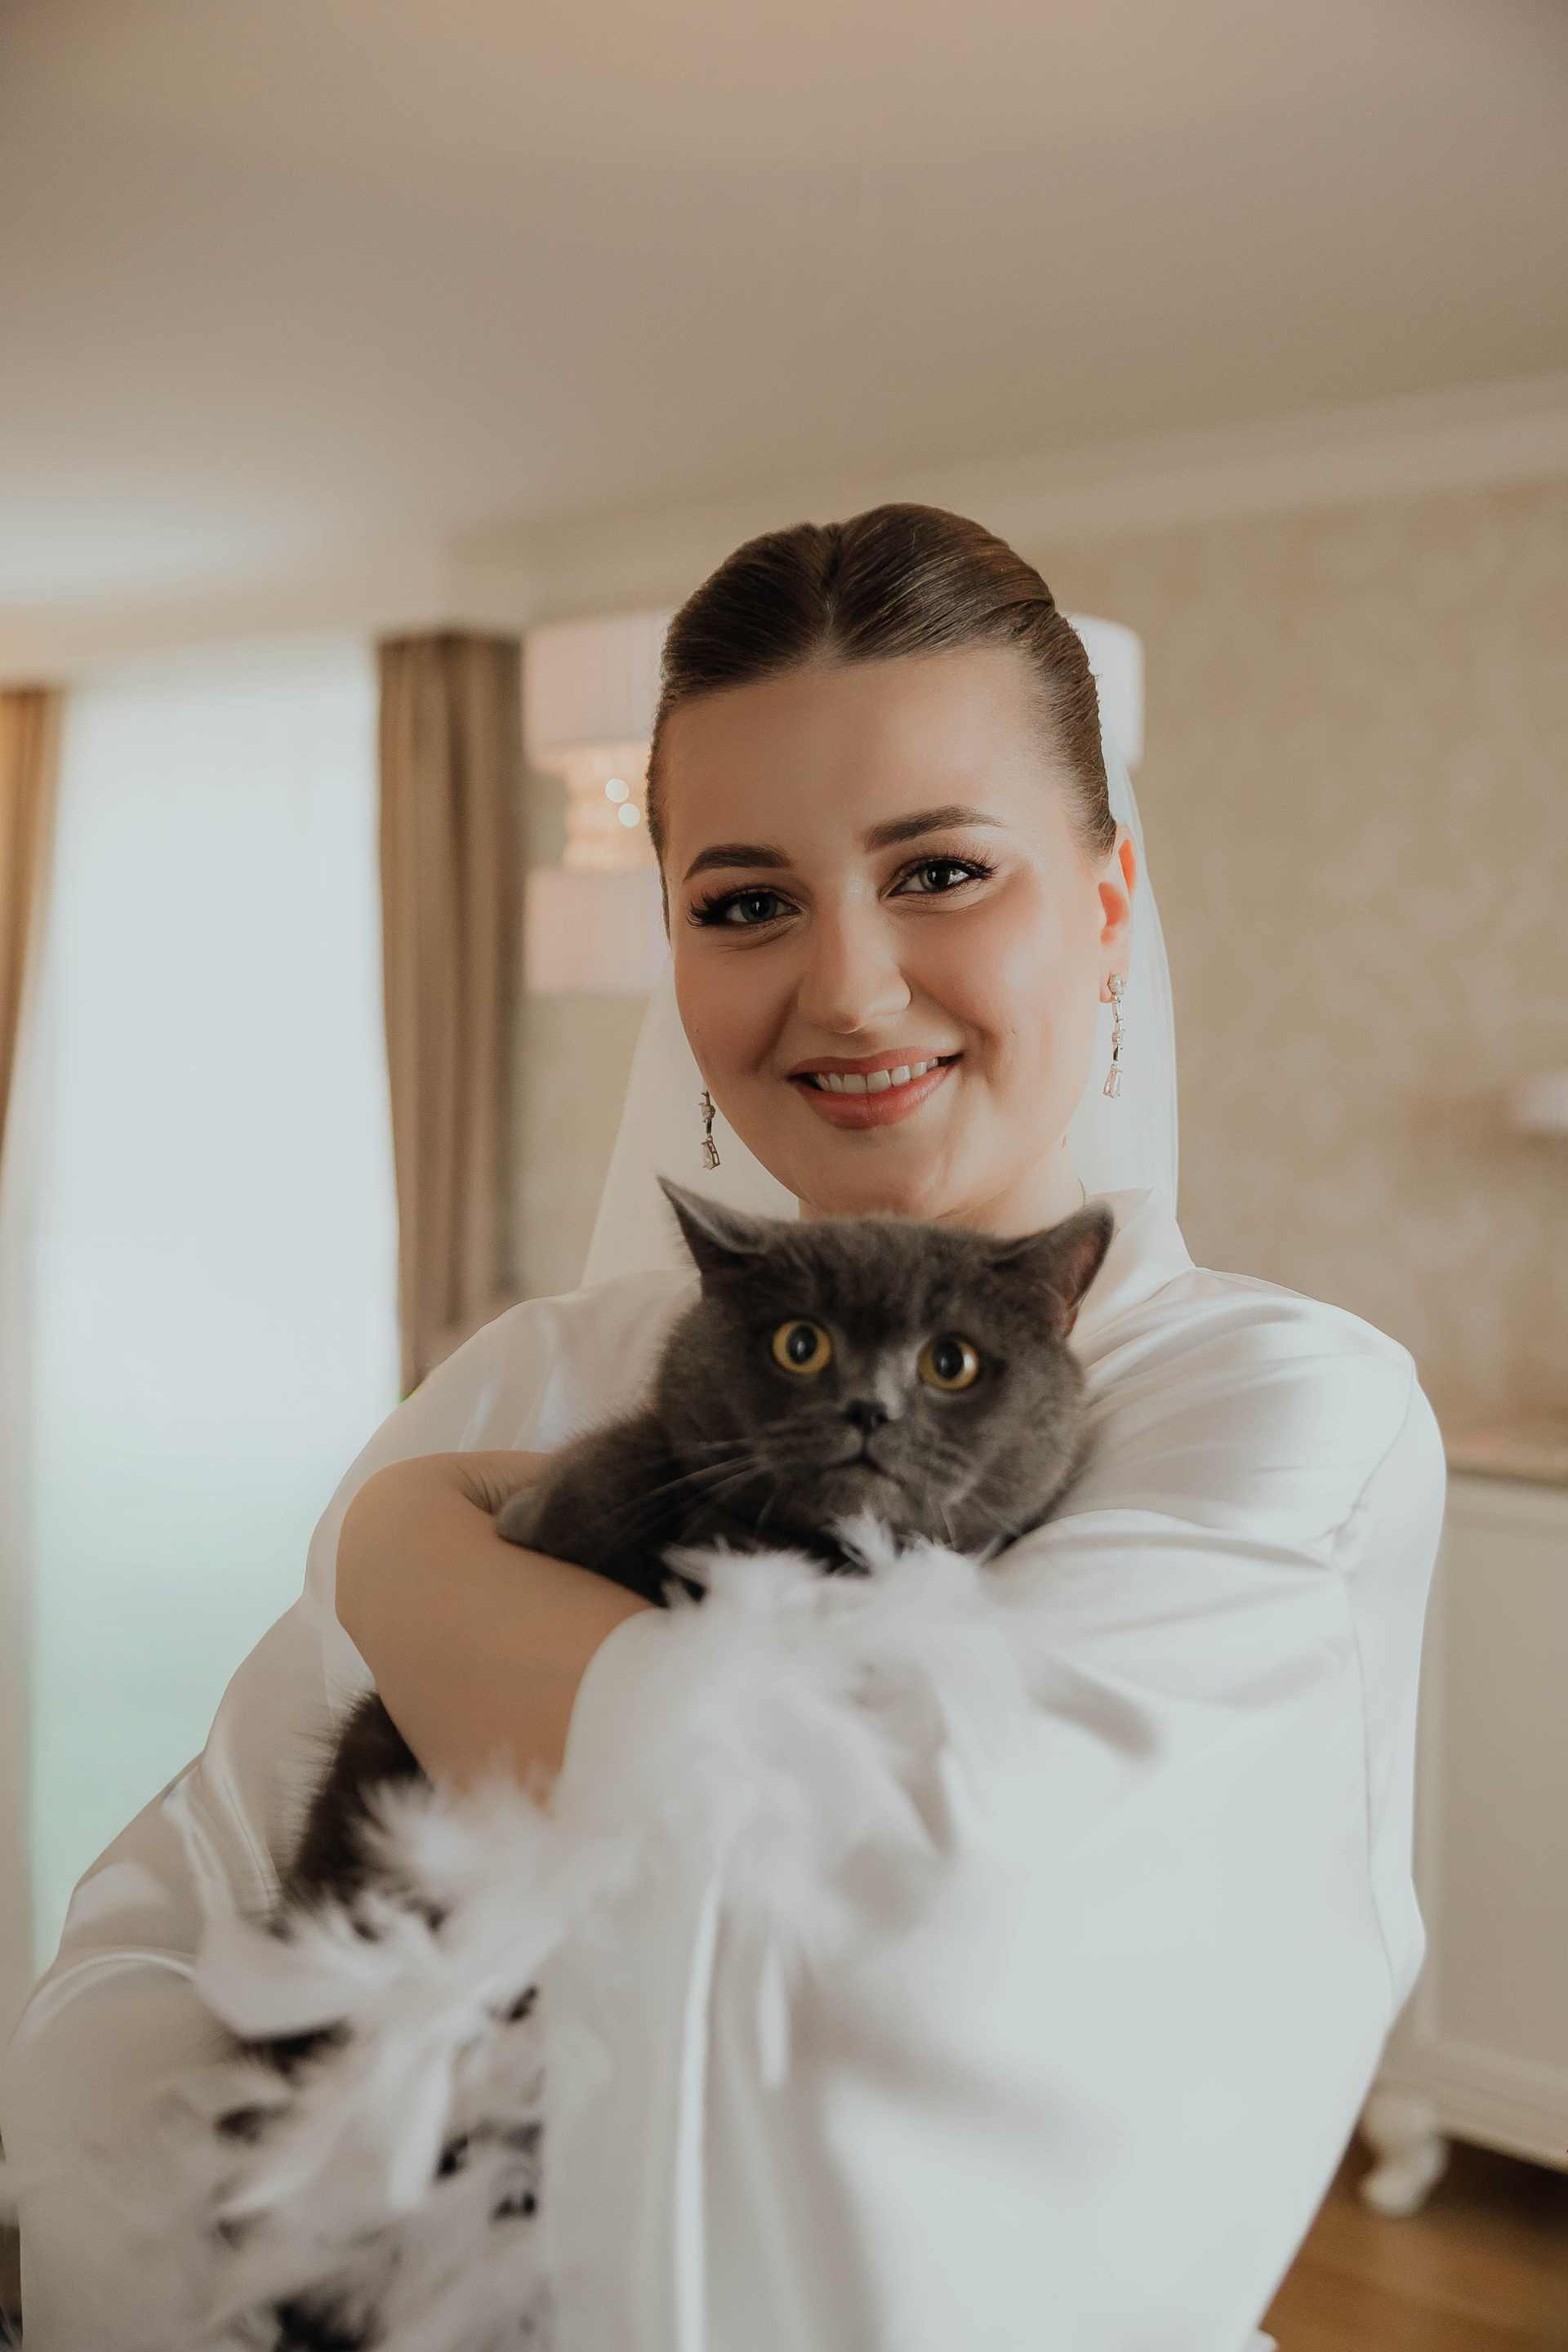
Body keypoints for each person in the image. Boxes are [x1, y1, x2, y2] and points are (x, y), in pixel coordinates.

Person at [1, 506, 1443, 2351]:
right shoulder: (522, 1378)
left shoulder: (1283, 1414)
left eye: (941, 871)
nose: (848, 987)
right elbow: (156, 1945)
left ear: (1106, 905)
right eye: (747, 903)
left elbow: (893, 1925)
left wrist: (404, 1557)